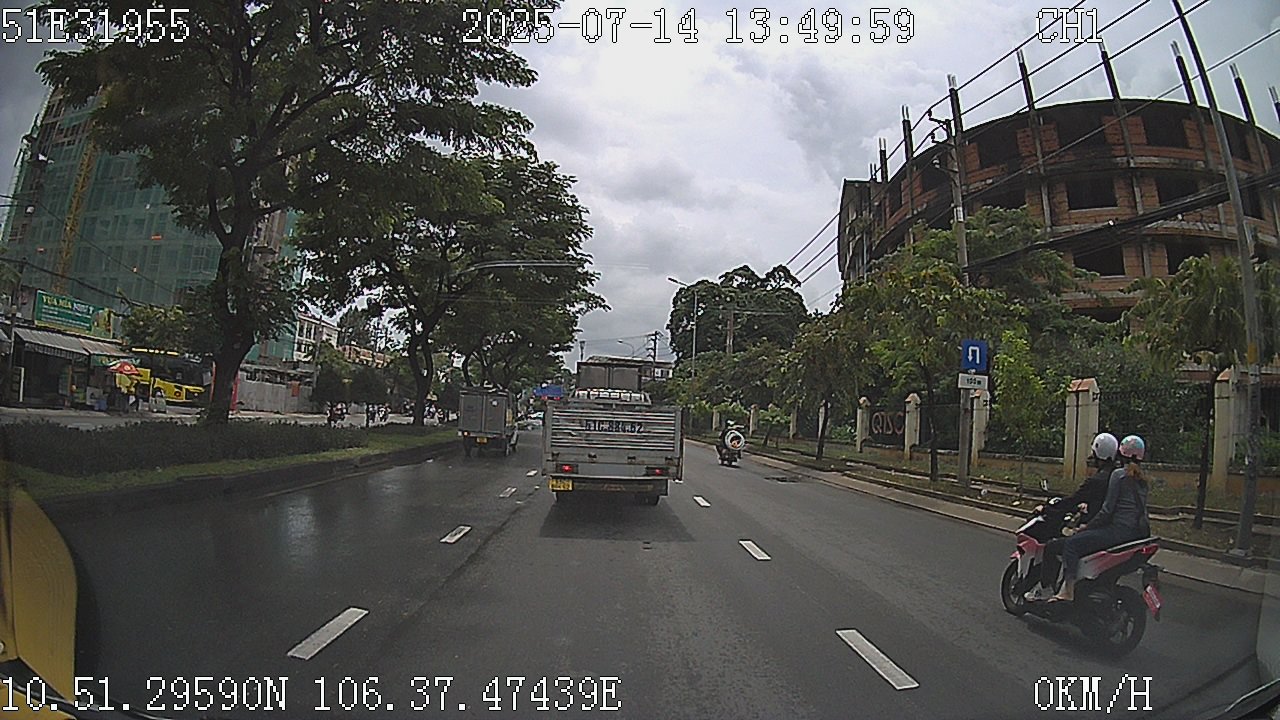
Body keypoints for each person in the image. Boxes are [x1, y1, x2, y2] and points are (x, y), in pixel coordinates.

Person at [1051, 435, 1152, 602]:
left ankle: (1067, 591)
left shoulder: (1118, 475)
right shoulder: (1143, 480)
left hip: (1119, 532)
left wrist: (1086, 527)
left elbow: (1107, 511)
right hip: (1139, 534)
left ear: (1120, 454)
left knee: (1072, 544)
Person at [1026, 432, 1120, 601]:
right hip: (1113, 530)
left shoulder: (1097, 481)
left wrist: (1047, 509)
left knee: (1053, 547)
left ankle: (1048, 590)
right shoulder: (1117, 476)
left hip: (1097, 530)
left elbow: (1073, 500)